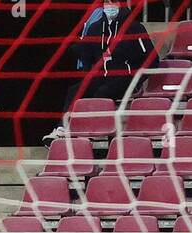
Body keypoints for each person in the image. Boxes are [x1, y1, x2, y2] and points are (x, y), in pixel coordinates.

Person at [45, 0, 155, 143]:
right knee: (76, 90)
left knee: (102, 92)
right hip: (103, 76)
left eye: (113, 2)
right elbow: (86, 54)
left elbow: (153, 60)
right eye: (106, 2)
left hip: (127, 77)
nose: (109, 6)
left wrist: (137, 80)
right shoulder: (96, 28)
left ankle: (90, 132)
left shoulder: (134, 28)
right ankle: (62, 129)